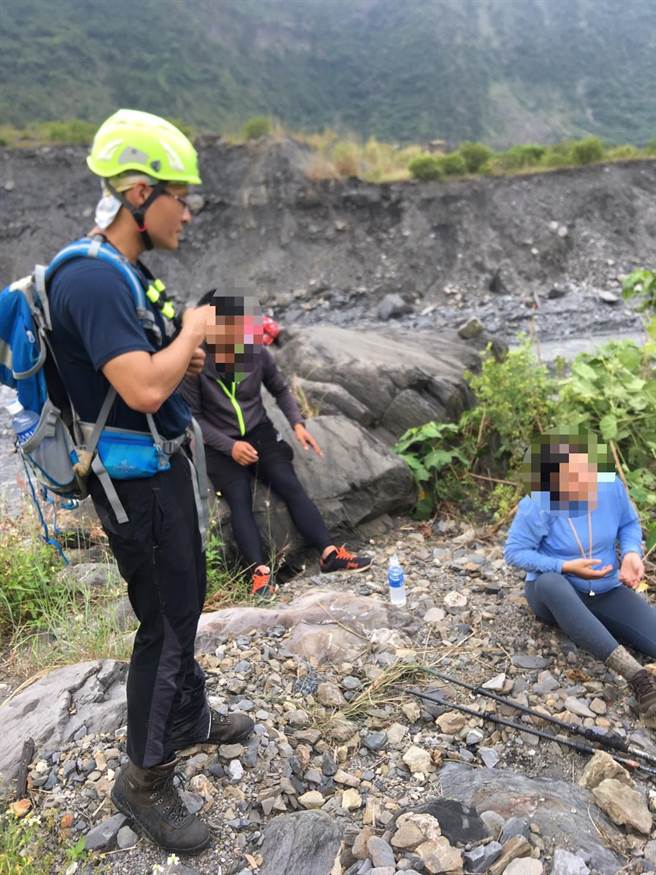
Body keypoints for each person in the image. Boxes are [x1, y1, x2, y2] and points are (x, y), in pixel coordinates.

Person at [47, 110, 253, 854]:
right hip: (132, 483)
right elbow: (138, 386)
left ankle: (188, 716)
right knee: (163, 623)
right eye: (180, 197)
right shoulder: (90, 278)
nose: (187, 212)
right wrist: (193, 333)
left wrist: (181, 352)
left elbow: (147, 368)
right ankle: (144, 780)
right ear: (140, 194)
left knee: (184, 600)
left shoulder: (124, 272)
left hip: (159, 468)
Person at [180, 291, 372, 595]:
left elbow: (280, 390)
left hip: (259, 431)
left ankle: (329, 554)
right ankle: (260, 574)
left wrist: (297, 423)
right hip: (219, 444)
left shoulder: (256, 353)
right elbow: (193, 418)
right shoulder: (196, 362)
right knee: (239, 497)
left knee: (289, 483)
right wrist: (230, 447)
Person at [504, 436, 656, 727]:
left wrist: (631, 554)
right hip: (553, 593)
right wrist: (564, 566)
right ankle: (638, 679)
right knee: (551, 582)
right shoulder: (537, 504)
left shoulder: (610, 487)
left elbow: (629, 524)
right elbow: (514, 552)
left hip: (606, 588)